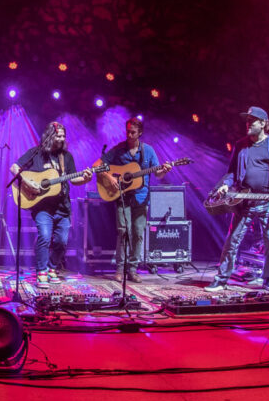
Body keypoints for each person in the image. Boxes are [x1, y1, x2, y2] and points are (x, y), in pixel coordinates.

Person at [206, 106, 269, 292]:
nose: (248, 123)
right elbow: (231, 172)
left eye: (253, 120)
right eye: (247, 120)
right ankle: (221, 279)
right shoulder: (241, 145)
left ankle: (268, 278)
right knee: (233, 239)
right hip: (244, 200)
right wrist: (225, 184)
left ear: (263, 124)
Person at [11, 121, 93, 288]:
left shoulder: (66, 157)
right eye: (59, 135)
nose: (62, 138)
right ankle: (41, 271)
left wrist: (85, 178)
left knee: (62, 241)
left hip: (62, 207)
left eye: (64, 136)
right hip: (42, 207)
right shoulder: (36, 153)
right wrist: (27, 183)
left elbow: (73, 178)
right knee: (45, 236)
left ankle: (52, 268)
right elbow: (14, 167)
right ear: (50, 135)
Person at [101, 118, 169, 283]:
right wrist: (110, 177)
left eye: (133, 132)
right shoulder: (119, 149)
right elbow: (100, 164)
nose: (129, 135)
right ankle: (119, 269)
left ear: (140, 133)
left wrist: (164, 171)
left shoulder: (149, 151)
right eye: (128, 131)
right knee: (123, 231)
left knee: (138, 234)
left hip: (141, 197)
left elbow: (158, 173)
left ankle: (132, 269)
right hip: (123, 196)